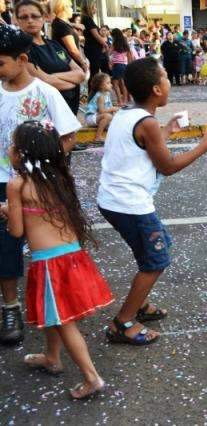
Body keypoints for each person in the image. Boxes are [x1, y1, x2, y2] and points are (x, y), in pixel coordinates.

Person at [97, 57, 207, 346]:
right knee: (155, 260)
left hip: (113, 200)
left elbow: (139, 146)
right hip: (129, 204)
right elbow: (167, 166)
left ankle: (139, 303)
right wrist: (204, 146)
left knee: (155, 247)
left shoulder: (129, 116)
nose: (168, 83)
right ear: (156, 89)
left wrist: (166, 132)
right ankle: (124, 322)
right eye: (165, 78)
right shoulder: (147, 123)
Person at [3, 121, 113, 399]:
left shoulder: (17, 185)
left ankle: (92, 377)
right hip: (72, 257)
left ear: (23, 154)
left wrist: (6, 211)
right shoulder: (60, 177)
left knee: (64, 321)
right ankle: (52, 356)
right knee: (54, 313)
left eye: (14, 145)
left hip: (50, 265)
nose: (10, 149)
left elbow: (17, 231)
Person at [0, 26, 81, 345]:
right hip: (3, 181)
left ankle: (60, 304)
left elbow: (69, 134)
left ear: (22, 59)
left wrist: (44, 168)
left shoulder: (45, 92)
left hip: (38, 185)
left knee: (47, 246)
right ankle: (10, 305)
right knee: (5, 247)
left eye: (1, 64)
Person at [17, 0, 84, 117]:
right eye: (24, 17)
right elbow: (44, 82)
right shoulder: (21, 50)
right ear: (17, 21)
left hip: (70, 108)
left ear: (43, 18)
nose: (30, 20)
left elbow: (80, 74)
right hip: (45, 113)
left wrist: (51, 77)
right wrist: (73, 84)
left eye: (34, 16)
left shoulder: (54, 45)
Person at [50, 0, 87, 72]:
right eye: (71, 7)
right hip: (69, 66)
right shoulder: (63, 27)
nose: (72, 9)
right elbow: (73, 50)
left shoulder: (57, 22)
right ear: (65, 8)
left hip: (64, 63)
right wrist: (83, 63)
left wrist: (75, 25)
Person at [85, 73, 118, 142]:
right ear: (101, 86)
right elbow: (102, 111)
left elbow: (108, 107)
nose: (111, 85)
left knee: (115, 117)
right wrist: (112, 109)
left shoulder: (107, 94)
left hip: (99, 116)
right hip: (91, 118)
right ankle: (97, 137)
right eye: (108, 83)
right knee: (108, 116)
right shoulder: (100, 97)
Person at [80, 0, 109, 78]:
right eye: (95, 7)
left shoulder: (86, 18)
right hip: (93, 49)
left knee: (95, 71)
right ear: (90, 8)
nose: (96, 9)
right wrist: (105, 44)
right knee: (95, 72)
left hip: (93, 49)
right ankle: (94, 89)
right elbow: (96, 35)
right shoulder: (87, 19)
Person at [110, 28, 133, 105]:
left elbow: (109, 52)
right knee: (123, 83)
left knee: (115, 83)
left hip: (116, 65)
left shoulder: (114, 43)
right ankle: (125, 100)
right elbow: (130, 55)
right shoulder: (125, 43)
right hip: (124, 64)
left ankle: (119, 100)